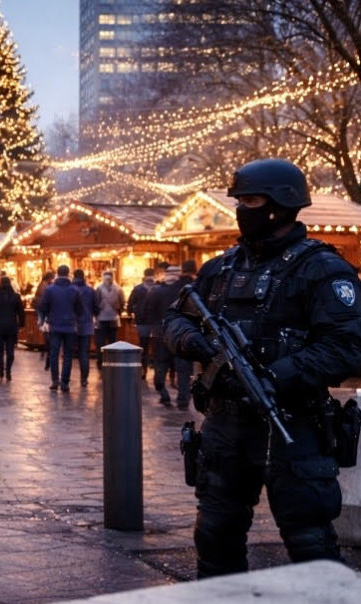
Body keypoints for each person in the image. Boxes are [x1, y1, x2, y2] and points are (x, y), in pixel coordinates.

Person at [162, 158, 361, 579]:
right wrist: (196, 342)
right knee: (215, 538)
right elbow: (176, 319)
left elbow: (347, 345)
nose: (241, 210)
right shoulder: (221, 269)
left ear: (281, 206)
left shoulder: (321, 269)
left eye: (250, 201)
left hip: (294, 425)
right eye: (240, 201)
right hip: (225, 429)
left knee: (311, 547)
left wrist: (276, 377)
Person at [145, 266, 189, 407]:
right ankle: (183, 399)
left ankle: (164, 393)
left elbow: (148, 312)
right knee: (182, 369)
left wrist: (156, 327)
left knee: (161, 364)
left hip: (161, 334)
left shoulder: (156, 292)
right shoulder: (186, 292)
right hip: (181, 334)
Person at [37, 264, 84, 392]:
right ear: (69, 274)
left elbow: (43, 307)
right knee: (68, 355)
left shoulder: (50, 290)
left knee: (54, 354)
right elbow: (80, 310)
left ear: (57, 273)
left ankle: (55, 380)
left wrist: (45, 319)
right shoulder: (75, 290)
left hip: (55, 325)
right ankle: (65, 382)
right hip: (70, 326)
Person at [0, 275, 25, 381]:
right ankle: (8, 371)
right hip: (11, 326)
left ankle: (1, 369)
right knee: (10, 350)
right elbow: (20, 312)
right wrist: (21, 324)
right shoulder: (16, 296)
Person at [126, 268, 157, 377]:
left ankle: (143, 370)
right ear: (154, 275)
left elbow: (130, 303)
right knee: (156, 346)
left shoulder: (137, 288)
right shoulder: (157, 288)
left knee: (143, 345)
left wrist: (131, 314)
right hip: (155, 322)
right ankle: (156, 370)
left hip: (142, 321)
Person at [72, 269, 98, 387]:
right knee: (84, 353)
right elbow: (96, 308)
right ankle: (84, 379)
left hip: (71, 325)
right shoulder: (90, 290)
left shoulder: (70, 290)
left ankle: (65, 380)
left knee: (68, 353)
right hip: (86, 324)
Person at [94, 270, 125, 366]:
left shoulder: (98, 288)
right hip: (113, 318)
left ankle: (100, 360)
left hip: (101, 319)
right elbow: (122, 302)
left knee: (100, 341)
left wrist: (97, 312)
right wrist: (117, 311)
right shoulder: (119, 289)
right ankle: (112, 360)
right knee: (112, 341)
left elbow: (95, 303)